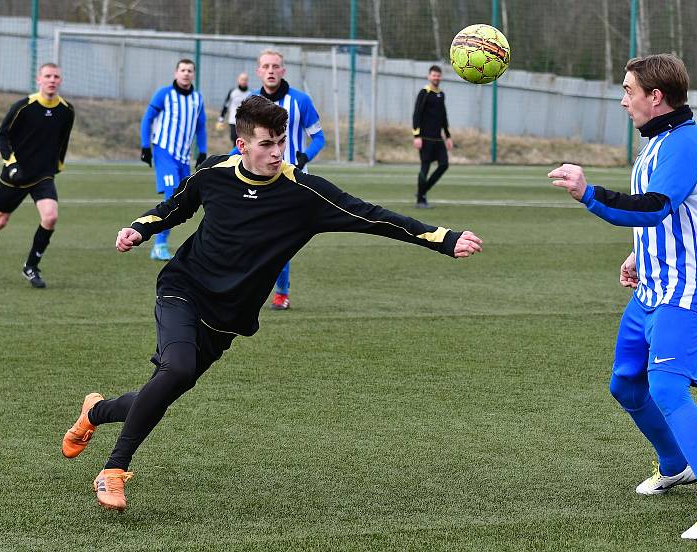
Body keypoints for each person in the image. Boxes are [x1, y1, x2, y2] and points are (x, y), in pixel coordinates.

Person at [61, 95, 482, 512]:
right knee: (177, 369)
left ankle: (95, 412)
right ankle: (113, 471)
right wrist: (139, 229)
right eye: (266, 143)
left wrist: (442, 238)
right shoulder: (213, 172)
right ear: (242, 145)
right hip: (183, 288)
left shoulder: (304, 193)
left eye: (281, 141)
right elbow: (175, 207)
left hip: (229, 316)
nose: (277, 152)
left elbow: (373, 216)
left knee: (165, 389)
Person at [549, 54, 697, 540]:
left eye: (629, 90)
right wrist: (637, 254)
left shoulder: (683, 141)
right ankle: (675, 463)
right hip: (652, 284)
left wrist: (590, 195)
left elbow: (654, 208)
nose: (623, 99)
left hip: (686, 287)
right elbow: (663, 219)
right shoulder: (659, 141)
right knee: (626, 385)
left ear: (656, 98)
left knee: (667, 389)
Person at [0, 62, 74, 288]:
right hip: (15, 175)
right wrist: (11, 164)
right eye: (47, 76)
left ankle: (31, 266)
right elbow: (2, 136)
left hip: (43, 175)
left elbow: (63, 139)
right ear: (39, 80)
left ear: (60, 81)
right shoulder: (23, 106)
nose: (52, 80)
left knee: (50, 216)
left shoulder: (67, 110)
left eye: (56, 76)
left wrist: (58, 165)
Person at [254, 49, 326, 310]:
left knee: (279, 239)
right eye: (266, 66)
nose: (271, 70)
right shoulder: (251, 103)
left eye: (276, 66)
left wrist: (305, 156)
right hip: (257, 180)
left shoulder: (301, 101)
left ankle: (281, 293)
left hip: (290, 182)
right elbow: (242, 146)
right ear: (259, 71)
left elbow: (319, 137)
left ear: (283, 71)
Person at [140, 58, 207, 262]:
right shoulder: (164, 94)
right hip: (164, 152)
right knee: (171, 195)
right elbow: (147, 118)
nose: (186, 73)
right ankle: (159, 245)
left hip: (183, 157)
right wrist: (145, 146)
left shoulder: (197, 99)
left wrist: (202, 151)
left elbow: (201, 127)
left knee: (184, 199)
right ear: (176, 73)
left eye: (189, 70)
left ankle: (167, 242)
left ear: (193, 74)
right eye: (182, 70)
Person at [412, 65, 452, 208]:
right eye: (434, 75)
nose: (436, 78)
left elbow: (443, 116)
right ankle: (420, 200)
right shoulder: (424, 92)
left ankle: (422, 191)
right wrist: (416, 135)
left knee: (444, 164)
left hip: (438, 138)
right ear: (429, 76)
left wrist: (448, 136)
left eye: (438, 75)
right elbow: (416, 114)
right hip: (425, 138)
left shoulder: (441, 94)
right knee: (425, 167)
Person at [217, 72, 250, 143]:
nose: (244, 81)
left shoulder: (250, 94)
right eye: (242, 79)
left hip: (245, 122)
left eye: (245, 80)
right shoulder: (233, 92)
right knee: (235, 141)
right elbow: (226, 105)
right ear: (238, 80)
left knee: (244, 142)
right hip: (233, 121)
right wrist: (221, 119)